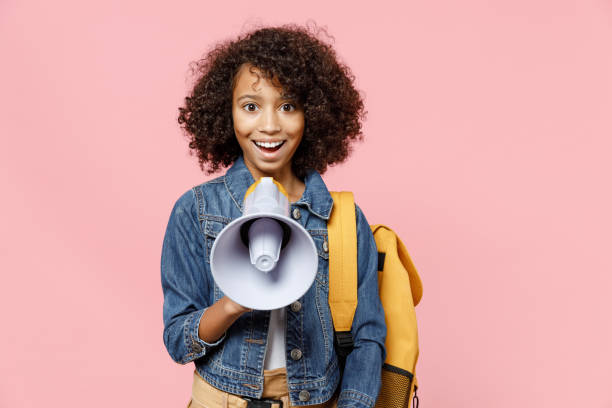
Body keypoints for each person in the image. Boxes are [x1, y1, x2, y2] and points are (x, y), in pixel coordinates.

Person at [161, 24, 386, 408]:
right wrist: (233, 304)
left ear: (312, 113)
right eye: (251, 106)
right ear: (225, 111)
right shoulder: (196, 211)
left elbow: (367, 340)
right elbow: (179, 342)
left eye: (287, 106)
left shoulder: (342, 219)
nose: (269, 125)